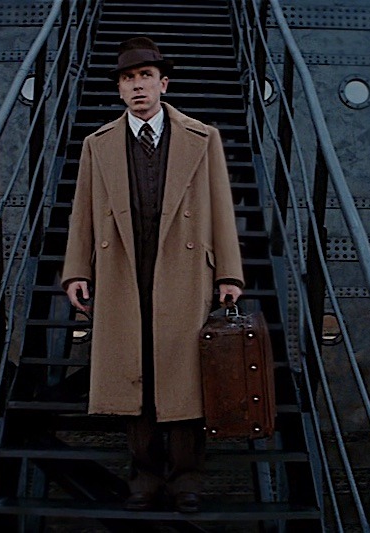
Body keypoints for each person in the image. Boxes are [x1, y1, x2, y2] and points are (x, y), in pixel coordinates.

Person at [61, 36, 244, 513]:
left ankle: (187, 479)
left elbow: (221, 208)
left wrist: (229, 274)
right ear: (119, 90)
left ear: (164, 84)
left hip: (184, 270)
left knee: (184, 376)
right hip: (123, 269)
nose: (137, 86)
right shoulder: (97, 144)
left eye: (145, 76)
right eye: (128, 78)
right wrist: (77, 270)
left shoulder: (203, 137)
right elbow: (81, 212)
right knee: (133, 372)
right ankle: (143, 476)